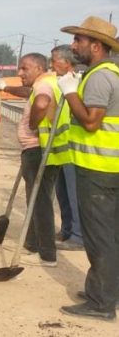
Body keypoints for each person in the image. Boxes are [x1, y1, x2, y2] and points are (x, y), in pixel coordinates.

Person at [57, 16, 119, 322]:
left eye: (79, 41)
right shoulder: (110, 72)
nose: (74, 45)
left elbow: (92, 123)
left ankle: (101, 303)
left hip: (98, 168)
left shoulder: (99, 77)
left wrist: (69, 92)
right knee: (109, 234)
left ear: (96, 45)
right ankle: (105, 290)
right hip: (108, 168)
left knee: (99, 237)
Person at [0, 53, 61, 267]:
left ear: (39, 68)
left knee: (39, 201)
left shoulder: (44, 85)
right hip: (38, 150)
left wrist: (32, 124)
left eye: (25, 68)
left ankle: (47, 254)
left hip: (39, 150)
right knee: (35, 199)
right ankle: (33, 243)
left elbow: (41, 104)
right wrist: (6, 88)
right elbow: (30, 94)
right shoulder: (50, 81)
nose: (20, 73)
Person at [49, 45, 84, 251]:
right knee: (62, 193)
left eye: (54, 61)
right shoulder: (59, 82)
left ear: (67, 63)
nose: (52, 65)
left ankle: (78, 236)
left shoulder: (77, 82)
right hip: (61, 147)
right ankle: (67, 229)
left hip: (74, 149)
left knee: (74, 193)